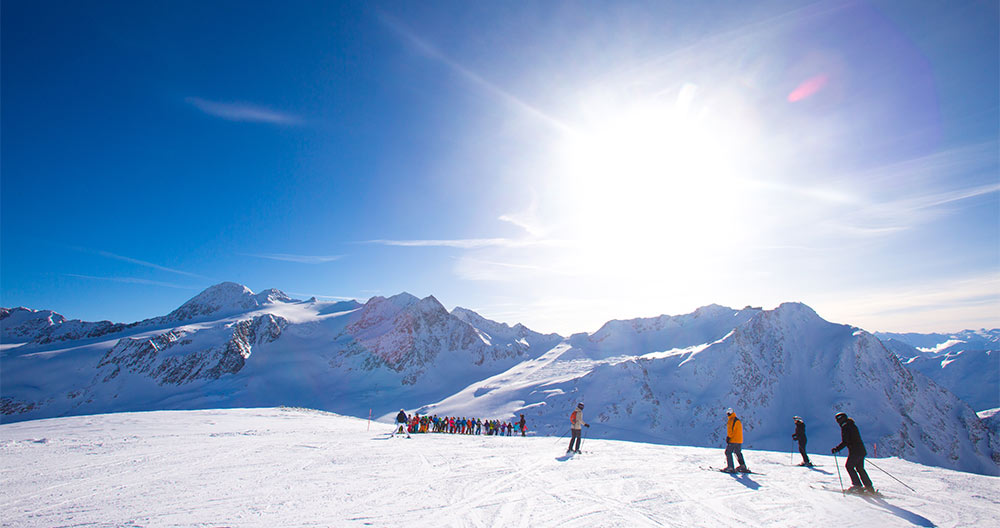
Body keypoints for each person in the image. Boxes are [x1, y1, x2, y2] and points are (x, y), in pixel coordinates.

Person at [832, 412, 875, 494]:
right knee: (860, 468)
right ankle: (869, 487)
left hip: (855, 451)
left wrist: (837, 449)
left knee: (849, 466)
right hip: (860, 450)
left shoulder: (846, 427)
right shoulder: (851, 425)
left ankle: (857, 486)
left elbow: (846, 441)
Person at [722, 408, 750, 473]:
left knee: (728, 452)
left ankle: (730, 467)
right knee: (738, 452)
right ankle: (743, 466)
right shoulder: (737, 420)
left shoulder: (731, 420)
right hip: (739, 440)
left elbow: (730, 431)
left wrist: (729, 438)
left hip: (733, 440)